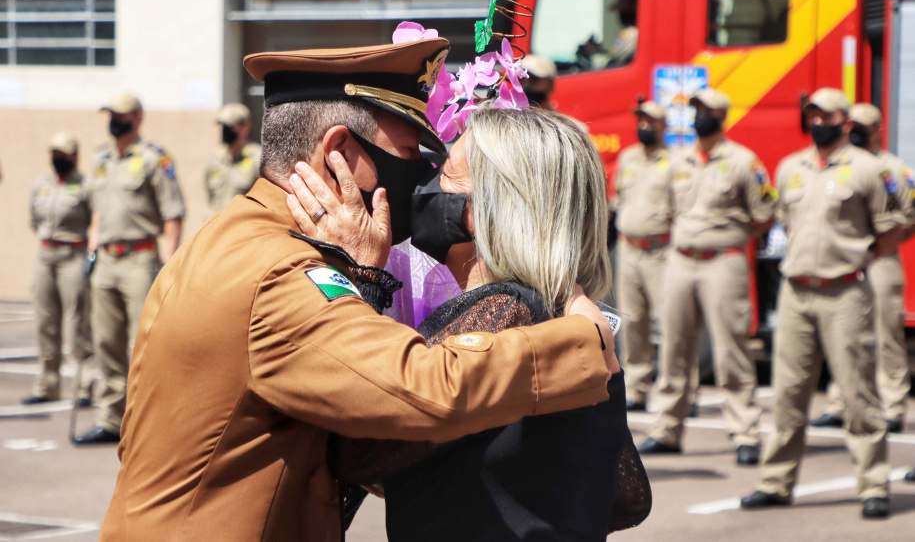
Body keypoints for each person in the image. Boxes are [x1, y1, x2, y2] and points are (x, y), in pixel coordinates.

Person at [98, 39, 618, 542]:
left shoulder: (241, 233)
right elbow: (424, 388)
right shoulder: (281, 273)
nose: (421, 178)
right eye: (409, 153)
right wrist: (583, 342)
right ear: (340, 153)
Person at [322, 106, 650, 541]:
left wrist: (362, 280)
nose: (425, 186)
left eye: (446, 174)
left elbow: (359, 449)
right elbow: (628, 496)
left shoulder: (501, 310)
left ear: (476, 214)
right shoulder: (566, 312)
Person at [740, 88, 900, 519]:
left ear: (845, 122)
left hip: (844, 292)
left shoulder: (869, 169)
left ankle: (874, 485)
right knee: (788, 393)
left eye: (825, 116)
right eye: (812, 115)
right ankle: (775, 482)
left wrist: (861, 260)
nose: (817, 122)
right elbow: (786, 222)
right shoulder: (791, 167)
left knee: (857, 392)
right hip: (796, 293)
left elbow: (893, 226)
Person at [638, 88, 775, 466]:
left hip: (723, 262)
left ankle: (745, 433)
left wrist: (731, 238)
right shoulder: (678, 160)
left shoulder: (744, 161)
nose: (699, 117)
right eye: (696, 110)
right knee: (673, 347)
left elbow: (765, 213)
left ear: (721, 116)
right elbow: (667, 210)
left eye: (706, 111)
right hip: (680, 261)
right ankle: (667, 429)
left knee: (732, 349)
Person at [74, 94, 186, 445]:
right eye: (111, 114)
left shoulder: (154, 159)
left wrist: (168, 264)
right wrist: (92, 246)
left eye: (121, 115)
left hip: (139, 258)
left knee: (145, 344)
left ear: (137, 118)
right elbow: (98, 210)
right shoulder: (101, 159)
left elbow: (172, 214)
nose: (114, 121)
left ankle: (149, 423)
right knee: (105, 341)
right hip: (105, 260)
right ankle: (111, 419)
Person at [810, 102, 913, 434]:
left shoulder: (891, 170)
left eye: (862, 129)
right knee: (844, 335)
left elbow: (906, 218)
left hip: (880, 261)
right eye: (851, 127)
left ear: (876, 130)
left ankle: (893, 406)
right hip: (846, 261)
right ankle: (839, 403)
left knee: (886, 337)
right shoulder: (841, 165)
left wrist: (882, 247)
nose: (855, 134)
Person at [23, 133, 94, 406]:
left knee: (78, 322)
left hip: (73, 254)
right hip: (45, 256)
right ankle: (47, 385)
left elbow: (95, 221)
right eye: (54, 153)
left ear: (74, 156)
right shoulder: (41, 185)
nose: (57, 159)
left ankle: (83, 387)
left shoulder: (86, 186)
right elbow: (34, 220)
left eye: (62, 154)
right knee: (45, 321)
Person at [614, 101, 674, 410]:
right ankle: (636, 388)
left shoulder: (675, 162)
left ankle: (675, 390)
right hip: (629, 250)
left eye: (651, 122)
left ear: (664, 126)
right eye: (641, 121)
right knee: (633, 321)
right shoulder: (628, 158)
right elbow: (618, 199)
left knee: (669, 322)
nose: (645, 127)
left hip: (661, 251)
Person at [204, 102, 262, 214]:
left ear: (245, 127)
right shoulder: (215, 158)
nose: (225, 131)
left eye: (230, 127)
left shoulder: (257, 158)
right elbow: (210, 194)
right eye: (223, 126)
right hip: (217, 221)